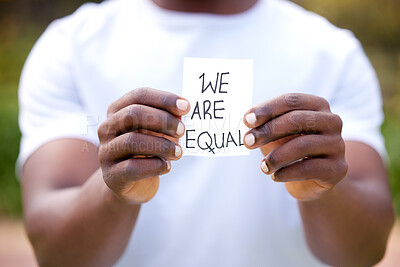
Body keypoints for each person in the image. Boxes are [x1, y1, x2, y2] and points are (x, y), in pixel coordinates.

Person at [18, 0, 394, 266]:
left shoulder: (332, 52)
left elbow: (366, 251)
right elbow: (56, 255)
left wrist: (324, 192)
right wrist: (115, 194)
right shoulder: (70, 47)